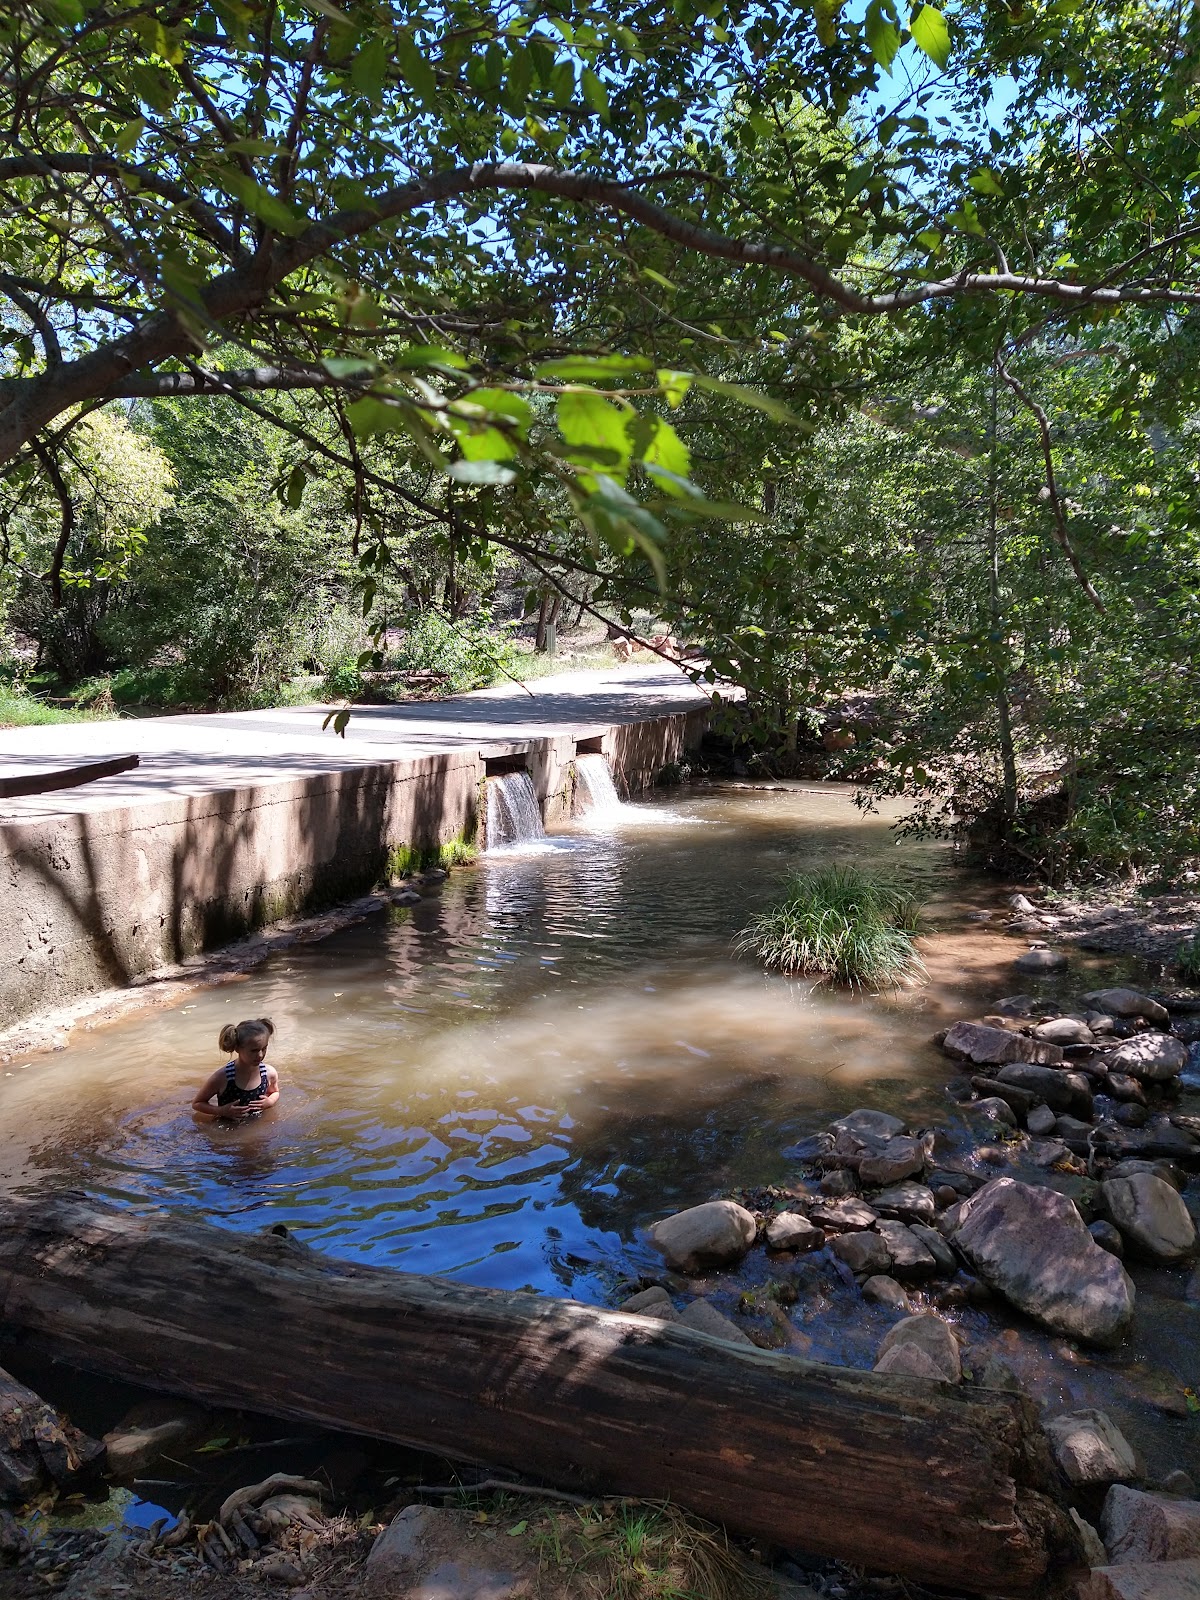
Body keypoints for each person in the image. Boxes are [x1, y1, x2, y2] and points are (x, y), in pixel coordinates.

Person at [192, 1018, 280, 1121]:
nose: (260, 1055)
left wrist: (270, 1102)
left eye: (264, 1048)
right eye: (254, 1050)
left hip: (258, 1124)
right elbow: (197, 1103)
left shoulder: (269, 1073)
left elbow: (275, 1092)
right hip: (228, 1130)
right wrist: (221, 1111)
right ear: (237, 1048)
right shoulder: (223, 1077)